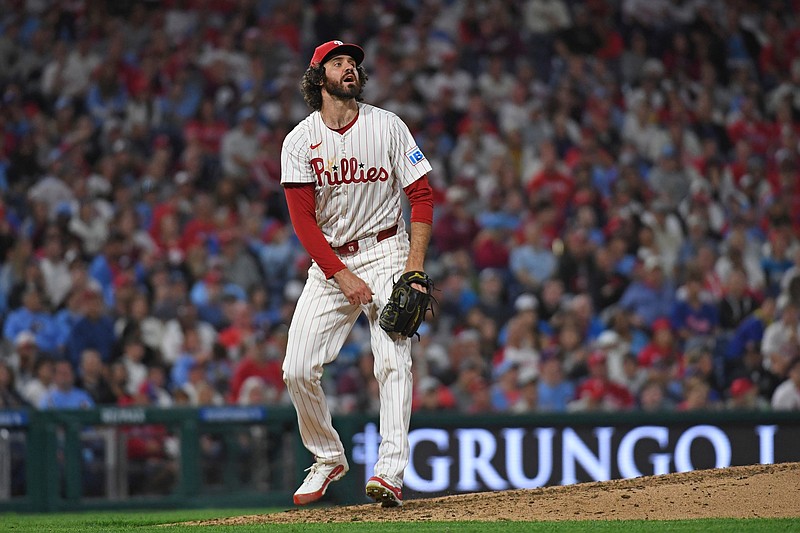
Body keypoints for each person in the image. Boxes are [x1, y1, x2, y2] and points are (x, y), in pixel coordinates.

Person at [279, 40, 433, 508]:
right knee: (297, 369)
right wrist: (340, 274)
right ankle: (328, 456)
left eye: (354, 63)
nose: (350, 68)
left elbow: (422, 195)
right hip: (331, 261)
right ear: (317, 76)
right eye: (339, 62)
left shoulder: (388, 126)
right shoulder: (299, 141)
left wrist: (415, 267)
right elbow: (303, 222)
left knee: (393, 359)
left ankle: (389, 472)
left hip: (388, 249)